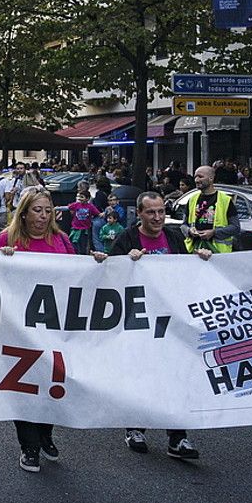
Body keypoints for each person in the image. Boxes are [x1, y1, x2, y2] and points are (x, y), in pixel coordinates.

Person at [97, 191, 210, 461]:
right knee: (142, 375)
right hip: (139, 320)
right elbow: (109, 275)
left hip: (170, 319)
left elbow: (185, 270)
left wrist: (202, 258)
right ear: (140, 213)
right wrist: (127, 262)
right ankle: (136, 427)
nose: (157, 217)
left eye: (160, 211)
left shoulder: (173, 237)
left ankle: (177, 436)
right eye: (151, 212)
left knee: (175, 377)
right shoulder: (127, 239)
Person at [0, 188, 75, 473]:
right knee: (23, 385)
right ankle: (28, 445)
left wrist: (98, 263)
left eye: (48, 210)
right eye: (37, 210)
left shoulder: (62, 240)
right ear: (24, 212)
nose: (43, 216)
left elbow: (78, 276)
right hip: (19, 326)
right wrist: (2, 259)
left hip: (53, 325)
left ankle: (45, 434)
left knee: (50, 382)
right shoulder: (7, 239)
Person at [185, 165, 238, 253]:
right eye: (195, 177)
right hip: (195, 251)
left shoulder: (225, 200)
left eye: (200, 177)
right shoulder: (192, 200)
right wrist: (189, 231)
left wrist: (213, 233)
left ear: (211, 178)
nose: (196, 180)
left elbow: (235, 227)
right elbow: (184, 225)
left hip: (218, 253)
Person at [65, 182, 99, 256]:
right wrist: (56, 208)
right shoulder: (76, 204)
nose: (80, 199)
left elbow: (98, 214)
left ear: (87, 198)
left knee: (83, 245)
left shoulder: (91, 206)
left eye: (82, 197)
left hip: (85, 230)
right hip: (75, 229)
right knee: (73, 244)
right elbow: (67, 208)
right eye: (79, 197)